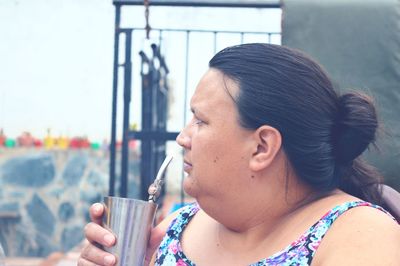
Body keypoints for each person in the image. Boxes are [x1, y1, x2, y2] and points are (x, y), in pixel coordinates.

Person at [78, 43, 400, 266]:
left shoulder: (362, 236)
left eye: (200, 120)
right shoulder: (176, 228)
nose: (182, 137)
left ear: (262, 147)